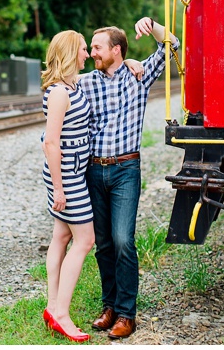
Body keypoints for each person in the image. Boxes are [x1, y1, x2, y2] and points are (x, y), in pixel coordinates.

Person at [40, 30, 145, 343]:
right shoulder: (61, 91)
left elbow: (116, 65)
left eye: (92, 48)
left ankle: (51, 306)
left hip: (76, 170)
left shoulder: (76, 82)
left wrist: (130, 62)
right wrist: (59, 188)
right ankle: (61, 313)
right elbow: (50, 142)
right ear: (72, 52)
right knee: (85, 240)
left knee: (61, 236)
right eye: (84, 49)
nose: (88, 54)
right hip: (69, 175)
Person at [80, 16, 179, 340]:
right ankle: (109, 306)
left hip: (125, 170)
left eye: (97, 47)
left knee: (123, 240)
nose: (93, 52)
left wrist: (151, 25)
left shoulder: (138, 77)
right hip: (94, 170)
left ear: (117, 50)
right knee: (104, 244)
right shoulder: (87, 83)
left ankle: (126, 314)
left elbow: (172, 45)